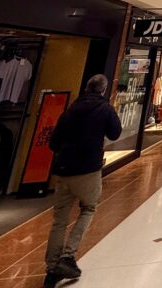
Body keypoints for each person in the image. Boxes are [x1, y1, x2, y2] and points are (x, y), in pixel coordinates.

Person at [44, 74, 122, 286]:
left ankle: (51, 267)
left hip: (63, 169)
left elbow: (53, 142)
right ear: (103, 90)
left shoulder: (70, 110)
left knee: (59, 221)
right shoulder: (105, 109)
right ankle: (68, 256)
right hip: (88, 169)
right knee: (88, 208)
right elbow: (115, 133)